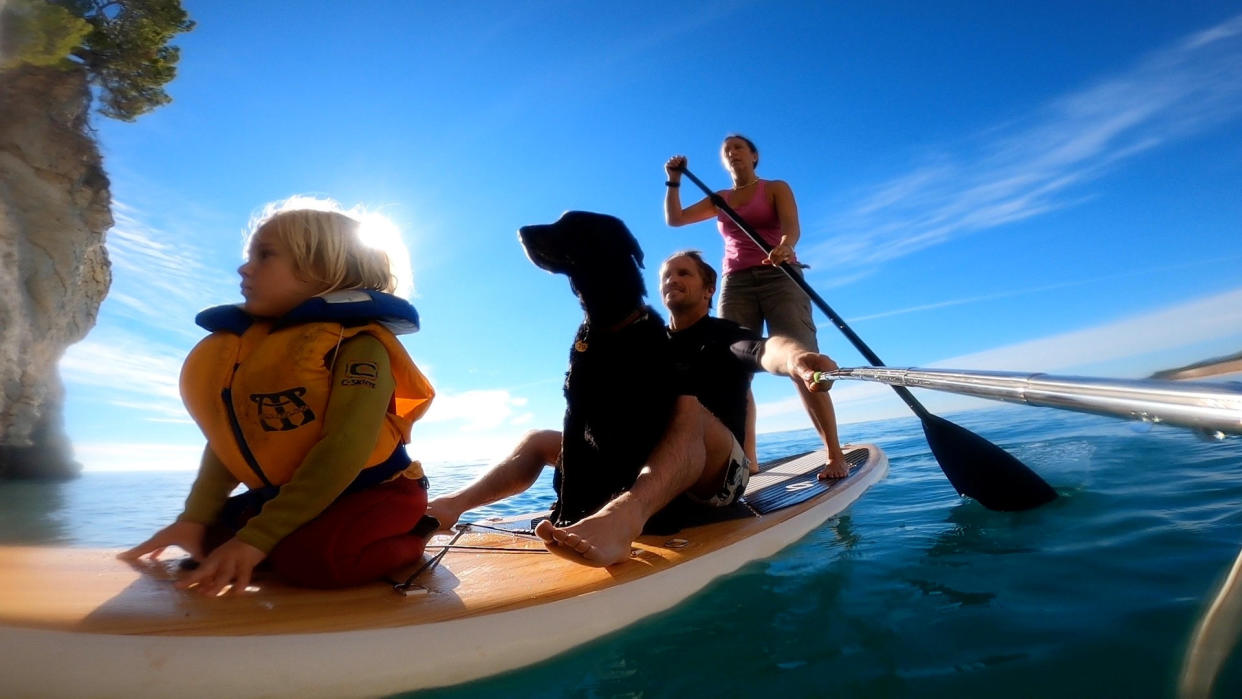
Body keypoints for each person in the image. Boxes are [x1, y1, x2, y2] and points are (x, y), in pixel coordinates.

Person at [426, 252, 842, 567]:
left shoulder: (724, 335)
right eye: (665, 276)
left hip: (714, 475)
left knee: (688, 408)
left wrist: (798, 359)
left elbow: (767, 349)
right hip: (652, 466)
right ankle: (452, 505)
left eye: (684, 273)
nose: (671, 280)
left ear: (708, 289)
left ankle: (623, 519)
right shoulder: (646, 342)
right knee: (539, 441)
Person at [120, 199, 436, 595]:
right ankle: (268, 538)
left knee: (318, 561)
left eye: (264, 256)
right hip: (295, 495)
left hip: (380, 492)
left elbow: (345, 448)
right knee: (208, 542)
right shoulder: (249, 350)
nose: (244, 267)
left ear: (325, 271)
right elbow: (231, 438)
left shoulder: (358, 345)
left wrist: (257, 539)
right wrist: (194, 518)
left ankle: (419, 533)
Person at [664, 134, 848, 477]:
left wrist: (783, 246)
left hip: (780, 275)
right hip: (736, 283)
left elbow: (792, 230)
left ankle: (834, 454)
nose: (732, 153)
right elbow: (676, 219)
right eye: (725, 150)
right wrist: (674, 181)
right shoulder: (721, 198)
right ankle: (745, 459)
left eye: (738, 148)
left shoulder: (776, 187)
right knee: (731, 370)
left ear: (753, 155)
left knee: (802, 365)